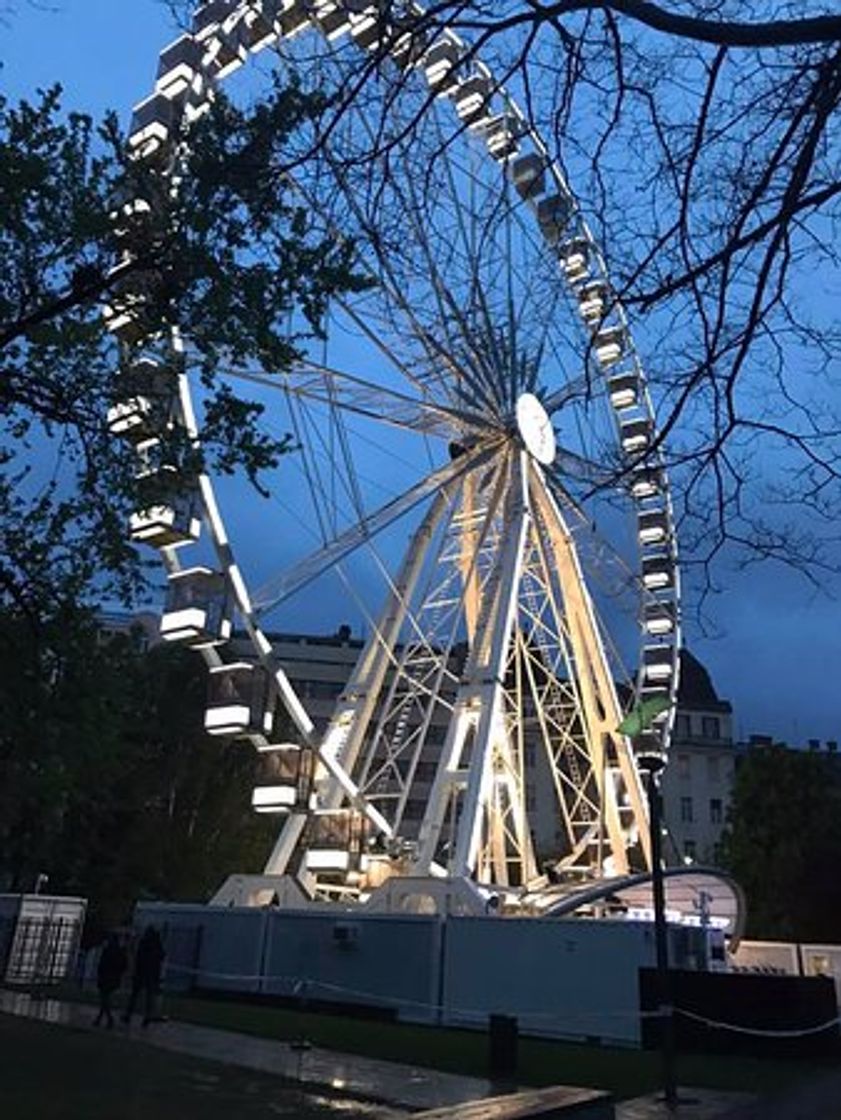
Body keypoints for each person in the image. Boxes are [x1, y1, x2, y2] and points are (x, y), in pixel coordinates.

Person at [122, 925, 165, 1027]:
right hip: (151, 974)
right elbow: (161, 957)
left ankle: (129, 1015)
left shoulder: (144, 943)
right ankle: (146, 1017)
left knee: (135, 995)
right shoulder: (157, 945)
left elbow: (139, 958)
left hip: (141, 973)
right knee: (148, 997)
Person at [93, 932, 127, 1028]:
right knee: (105, 999)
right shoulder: (120, 951)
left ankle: (107, 1019)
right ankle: (100, 1019)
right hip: (114, 978)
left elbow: (102, 964)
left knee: (104, 999)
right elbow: (124, 966)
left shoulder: (107, 951)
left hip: (106, 977)